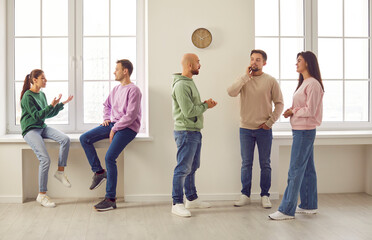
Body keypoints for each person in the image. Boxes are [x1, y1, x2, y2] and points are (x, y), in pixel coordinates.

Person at [80, 59, 141, 211]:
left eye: (117, 69)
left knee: (109, 157)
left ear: (125, 71)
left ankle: (110, 199)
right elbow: (106, 105)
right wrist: (107, 119)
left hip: (128, 128)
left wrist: (115, 129)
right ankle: (99, 172)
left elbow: (131, 115)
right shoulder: (115, 89)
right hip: (114, 124)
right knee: (84, 138)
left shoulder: (134, 90)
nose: (114, 72)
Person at [269, 51, 324, 220]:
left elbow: (310, 110)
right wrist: (291, 112)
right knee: (307, 168)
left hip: (305, 131)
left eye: (299, 60)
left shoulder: (313, 84)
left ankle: (286, 210)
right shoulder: (305, 82)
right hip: (301, 130)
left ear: (307, 63)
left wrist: (294, 111)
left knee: (295, 170)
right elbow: (304, 108)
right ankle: (308, 205)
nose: (296, 63)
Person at [227, 49, 284, 208]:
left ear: (264, 63)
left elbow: (279, 103)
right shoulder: (244, 79)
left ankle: (265, 195)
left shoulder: (270, 81)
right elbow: (231, 92)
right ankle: (245, 194)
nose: (254, 62)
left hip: (264, 129)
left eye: (258, 60)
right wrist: (246, 77)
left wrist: (270, 122)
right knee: (246, 163)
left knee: (265, 163)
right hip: (245, 128)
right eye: (252, 59)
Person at [171, 53, 217, 217]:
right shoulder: (182, 86)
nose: (200, 65)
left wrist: (204, 104)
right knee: (182, 168)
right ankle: (177, 202)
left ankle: (191, 198)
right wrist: (206, 106)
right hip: (186, 132)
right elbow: (189, 111)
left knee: (193, 166)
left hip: (194, 131)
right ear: (190, 65)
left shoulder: (189, 83)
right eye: (198, 62)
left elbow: (191, 107)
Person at [20, 69, 74, 208]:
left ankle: (60, 172)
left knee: (65, 139)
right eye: (42, 78)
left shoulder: (42, 95)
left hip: (41, 127)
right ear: (34, 80)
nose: (45, 80)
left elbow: (46, 115)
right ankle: (42, 195)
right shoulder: (27, 96)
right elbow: (37, 115)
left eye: (45, 78)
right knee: (45, 159)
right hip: (30, 130)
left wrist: (61, 104)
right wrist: (51, 105)